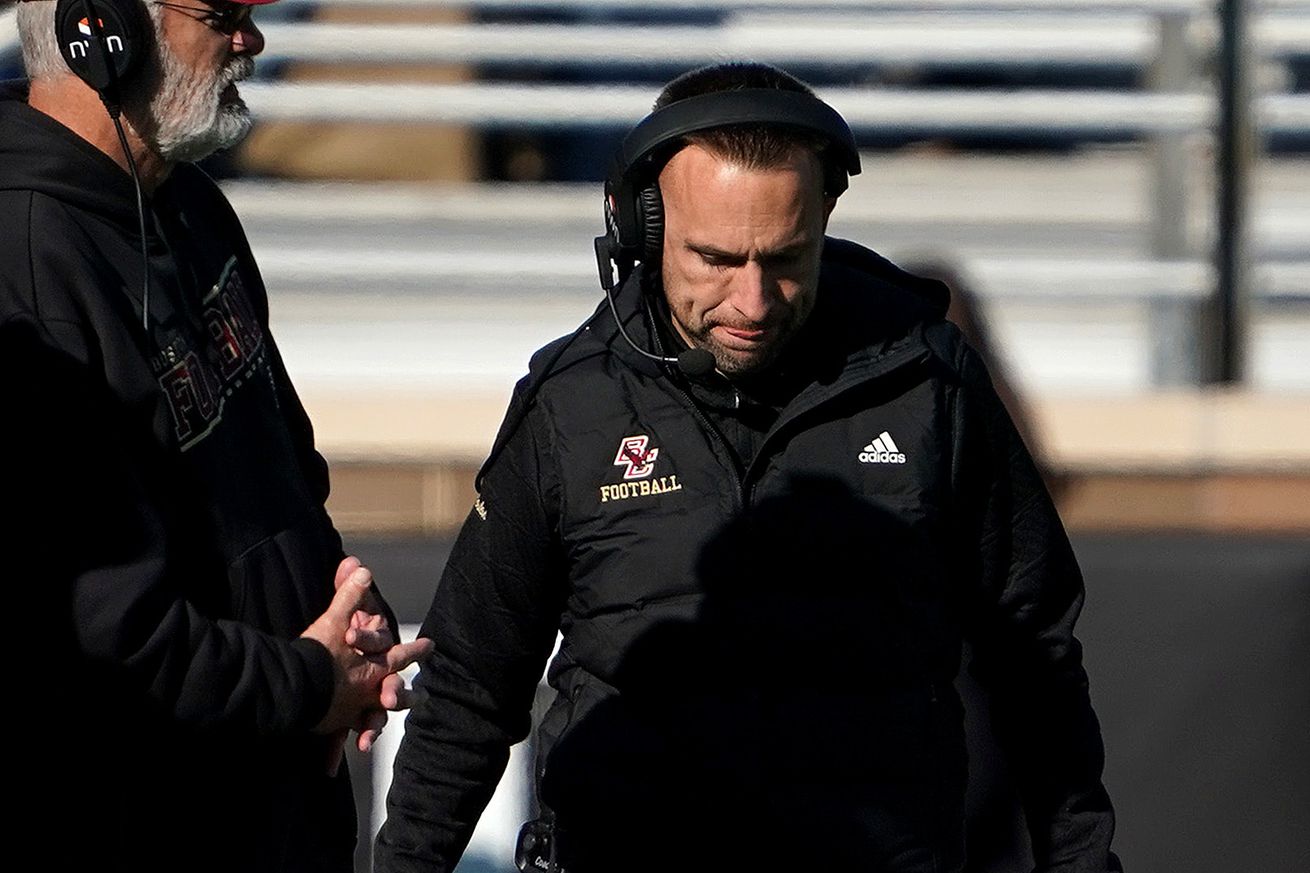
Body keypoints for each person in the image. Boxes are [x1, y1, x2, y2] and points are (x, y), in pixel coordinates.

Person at [376, 62, 1121, 873]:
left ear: (827, 212)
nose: (753, 301)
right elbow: (468, 691)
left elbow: (1035, 658)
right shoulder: (569, 404)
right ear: (644, 228)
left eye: (785, 257)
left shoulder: (929, 378)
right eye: (716, 259)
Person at [0, 2, 431, 871]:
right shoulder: (30, 266)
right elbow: (108, 632)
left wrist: (347, 624)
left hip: (271, 803)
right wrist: (311, 684)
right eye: (221, 14)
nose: (252, 40)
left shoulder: (187, 199)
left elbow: (287, 471)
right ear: (102, 30)